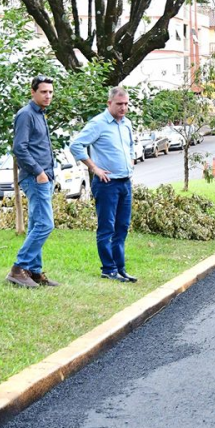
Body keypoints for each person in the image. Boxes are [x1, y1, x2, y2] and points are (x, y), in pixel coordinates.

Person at [70, 87, 137, 283]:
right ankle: (108, 269)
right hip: (106, 184)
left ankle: (120, 268)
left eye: (126, 104)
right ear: (109, 104)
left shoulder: (127, 124)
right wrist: (94, 168)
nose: (123, 108)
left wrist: (131, 159)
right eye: (119, 104)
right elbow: (76, 145)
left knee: (122, 227)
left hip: (125, 183)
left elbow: (131, 146)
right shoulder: (98, 124)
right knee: (106, 228)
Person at [6, 75, 59, 288]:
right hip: (35, 177)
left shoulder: (40, 114)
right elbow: (20, 148)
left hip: (44, 176)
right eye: (43, 92)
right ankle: (18, 269)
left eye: (50, 92)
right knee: (46, 224)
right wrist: (39, 171)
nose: (48, 96)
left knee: (36, 224)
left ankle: (34, 272)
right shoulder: (26, 114)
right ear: (33, 92)